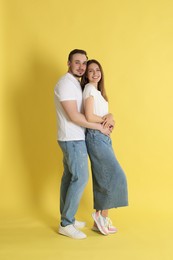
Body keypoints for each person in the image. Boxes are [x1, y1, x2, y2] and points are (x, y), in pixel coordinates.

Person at [54, 50, 110, 240]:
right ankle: (66, 223)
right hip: (72, 139)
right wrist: (99, 127)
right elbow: (74, 116)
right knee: (80, 178)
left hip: (74, 137)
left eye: (84, 63)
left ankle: (67, 217)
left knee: (69, 178)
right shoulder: (65, 84)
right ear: (68, 63)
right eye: (77, 62)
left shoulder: (75, 84)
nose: (81, 66)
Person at [81, 59, 128, 236]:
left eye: (98, 70)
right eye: (91, 71)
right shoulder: (89, 89)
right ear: (86, 75)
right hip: (95, 137)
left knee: (104, 177)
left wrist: (110, 116)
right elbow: (89, 115)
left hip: (103, 138)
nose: (95, 73)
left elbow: (103, 115)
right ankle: (100, 215)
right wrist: (105, 120)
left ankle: (99, 220)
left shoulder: (99, 92)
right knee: (114, 175)